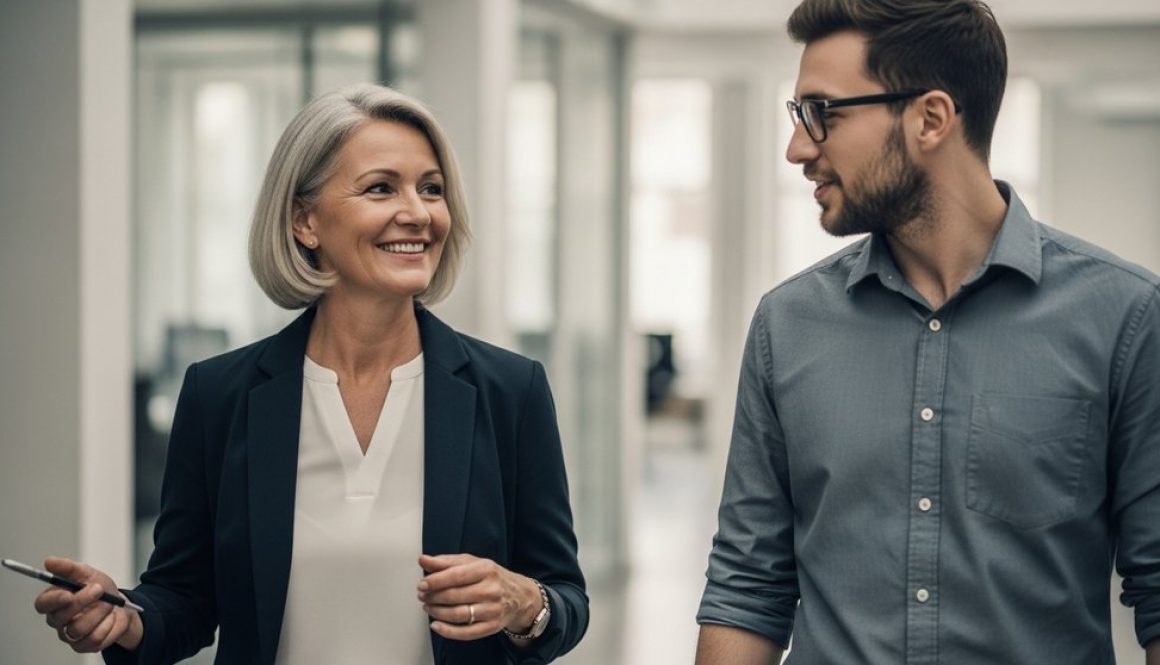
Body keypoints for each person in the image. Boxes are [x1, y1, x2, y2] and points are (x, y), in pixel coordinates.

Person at [31, 83, 588, 665]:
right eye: (381, 187)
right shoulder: (219, 395)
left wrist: (526, 604)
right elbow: (185, 598)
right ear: (304, 221)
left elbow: (566, 601)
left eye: (431, 189)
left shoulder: (511, 391)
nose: (418, 213)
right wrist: (125, 618)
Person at [695, 1, 1160, 663]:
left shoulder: (1126, 318)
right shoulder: (787, 324)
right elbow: (747, 587)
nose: (798, 147)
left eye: (821, 112)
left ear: (931, 118)